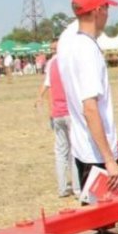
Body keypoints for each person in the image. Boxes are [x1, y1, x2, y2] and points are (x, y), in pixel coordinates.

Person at [57, 0, 118, 192]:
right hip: (97, 156)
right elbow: (90, 108)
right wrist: (109, 161)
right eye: (106, 8)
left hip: (83, 150)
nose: (108, 14)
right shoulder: (87, 51)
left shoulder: (68, 44)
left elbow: (79, 12)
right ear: (98, 11)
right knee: (107, 211)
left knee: (95, 209)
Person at [35, 40, 80, 197]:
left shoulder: (52, 63)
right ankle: (77, 187)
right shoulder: (71, 61)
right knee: (75, 149)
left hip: (57, 113)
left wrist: (40, 98)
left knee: (61, 151)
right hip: (71, 112)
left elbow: (47, 86)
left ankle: (62, 188)